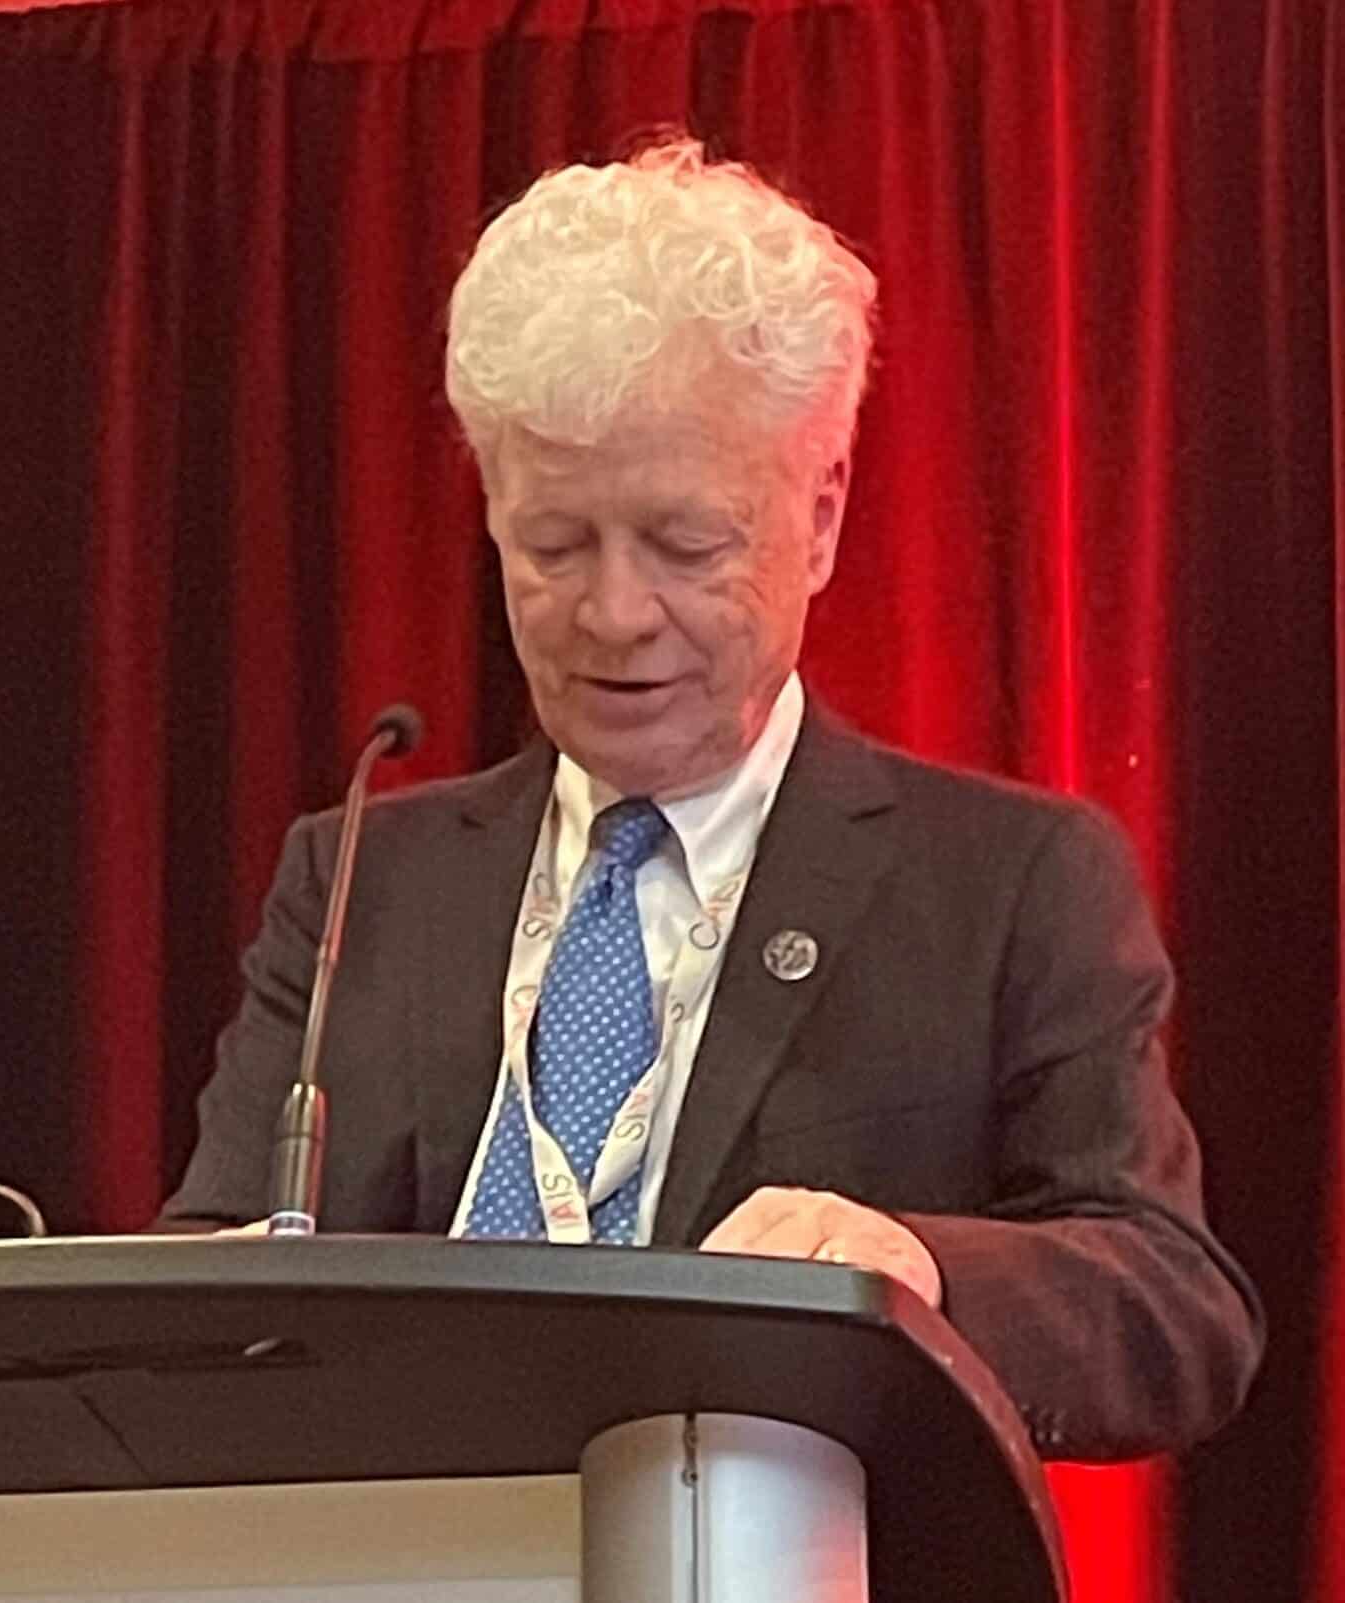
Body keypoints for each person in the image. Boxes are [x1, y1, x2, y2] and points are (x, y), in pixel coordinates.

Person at [158, 138, 1262, 1460]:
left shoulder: (1009, 884)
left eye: (687, 544)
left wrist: (906, 1267)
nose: (617, 616)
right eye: (554, 544)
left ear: (824, 516)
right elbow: (201, 1272)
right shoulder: (359, 879)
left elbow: (1176, 1310)